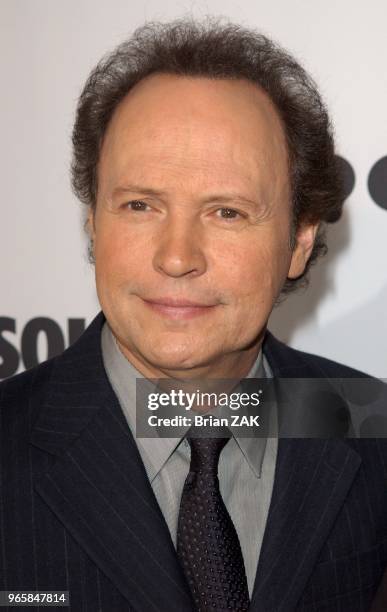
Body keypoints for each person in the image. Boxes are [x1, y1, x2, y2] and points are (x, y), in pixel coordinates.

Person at [1, 17, 386, 612]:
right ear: (93, 224)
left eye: (227, 212)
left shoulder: (374, 428)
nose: (177, 257)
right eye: (139, 204)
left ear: (300, 241)